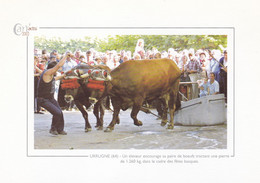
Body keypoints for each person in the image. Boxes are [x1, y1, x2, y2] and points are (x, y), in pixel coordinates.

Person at [37, 53, 69, 135]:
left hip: (50, 98)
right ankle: (53, 128)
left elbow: (55, 78)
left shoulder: (50, 76)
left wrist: (65, 74)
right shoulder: (47, 73)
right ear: (52, 69)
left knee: (60, 113)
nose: (57, 71)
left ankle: (60, 129)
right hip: (43, 99)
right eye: (56, 70)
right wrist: (65, 56)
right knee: (57, 112)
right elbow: (58, 66)